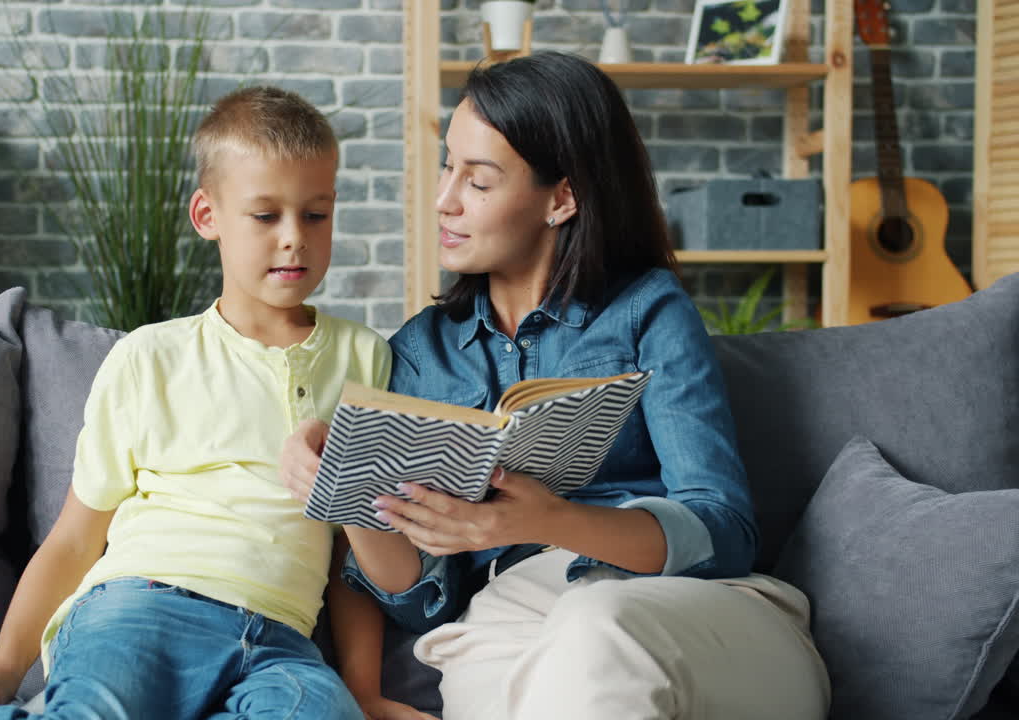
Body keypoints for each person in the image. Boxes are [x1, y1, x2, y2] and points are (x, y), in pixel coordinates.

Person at [0, 87, 433, 720]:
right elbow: (75, 538)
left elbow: (352, 558)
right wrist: (2, 667)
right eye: (266, 215)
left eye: (316, 214)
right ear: (209, 217)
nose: (295, 237)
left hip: (280, 641)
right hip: (142, 608)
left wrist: (363, 693)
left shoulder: (364, 358)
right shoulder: (151, 357)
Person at [281, 53, 831, 720]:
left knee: (593, 626)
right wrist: (348, 490)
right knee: (519, 661)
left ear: (562, 198)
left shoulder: (646, 311)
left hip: (683, 616)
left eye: (478, 182)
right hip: (505, 622)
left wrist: (550, 520)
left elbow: (724, 529)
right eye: (447, 166)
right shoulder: (422, 354)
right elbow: (420, 598)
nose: (444, 200)